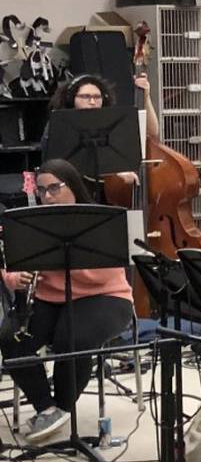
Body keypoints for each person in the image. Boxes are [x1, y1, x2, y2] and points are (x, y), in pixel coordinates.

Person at [2, 159, 135, 444]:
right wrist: (13, 277)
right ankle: (47, 408)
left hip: (105, 295)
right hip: (51, 297)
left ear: (73, 187)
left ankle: (62, 407)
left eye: (54, 188)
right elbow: (9, 261)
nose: (47, 196)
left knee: (70, 336)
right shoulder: (32, 222)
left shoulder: (97, 219)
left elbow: (104, 269)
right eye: (42, 190)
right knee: (8, 337)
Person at [46, 73, 159, 190]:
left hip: (108, 191)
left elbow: (152, 132)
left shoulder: (114, 121)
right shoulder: (60, 123)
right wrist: (114, 172)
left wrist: (145, 98)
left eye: (97, 97)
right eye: (85, 96)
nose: (92, 102)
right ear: (71, 99)